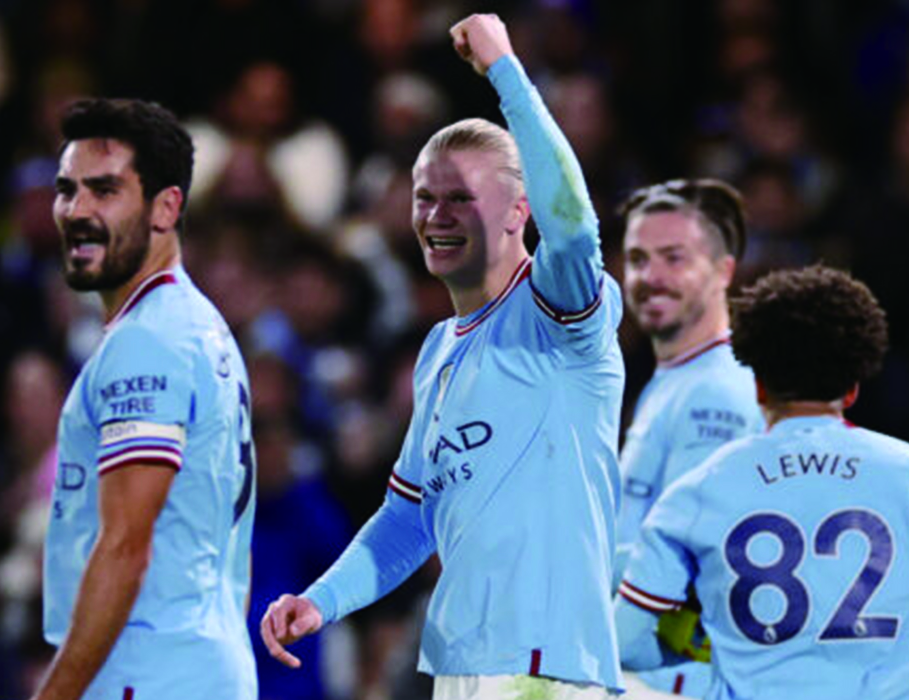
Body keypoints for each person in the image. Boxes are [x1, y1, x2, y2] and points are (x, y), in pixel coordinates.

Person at [262, 14, 625, 699]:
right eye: (425, 198)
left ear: (519, 211)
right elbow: (409, 519)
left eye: (461, 198)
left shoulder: (559, 314)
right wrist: (322, 600)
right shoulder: (437, 352)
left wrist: (505, 72)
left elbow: (575, 229)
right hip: (460, 662)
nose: (436, 216)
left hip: (545, 664)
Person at [33, 98, 256, 700]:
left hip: (147, 670)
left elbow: (127, 546)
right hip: (200, 663)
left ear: (166, 208)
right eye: (66, 189)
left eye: (105, 190)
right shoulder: (198, 326)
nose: (76, 211)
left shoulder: (148, 341)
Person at [616, 265, 909, 699]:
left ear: (758, 388)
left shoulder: (702, 487)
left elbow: (626, 642)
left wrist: (699, 668)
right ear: (852, 389)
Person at [615, 179, 764, 696]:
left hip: (678, 675)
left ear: (723, 271)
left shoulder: (715, 393)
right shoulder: (676, 380)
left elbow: (686, 558)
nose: (650, 277)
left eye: (673, 258)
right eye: (638, 259)